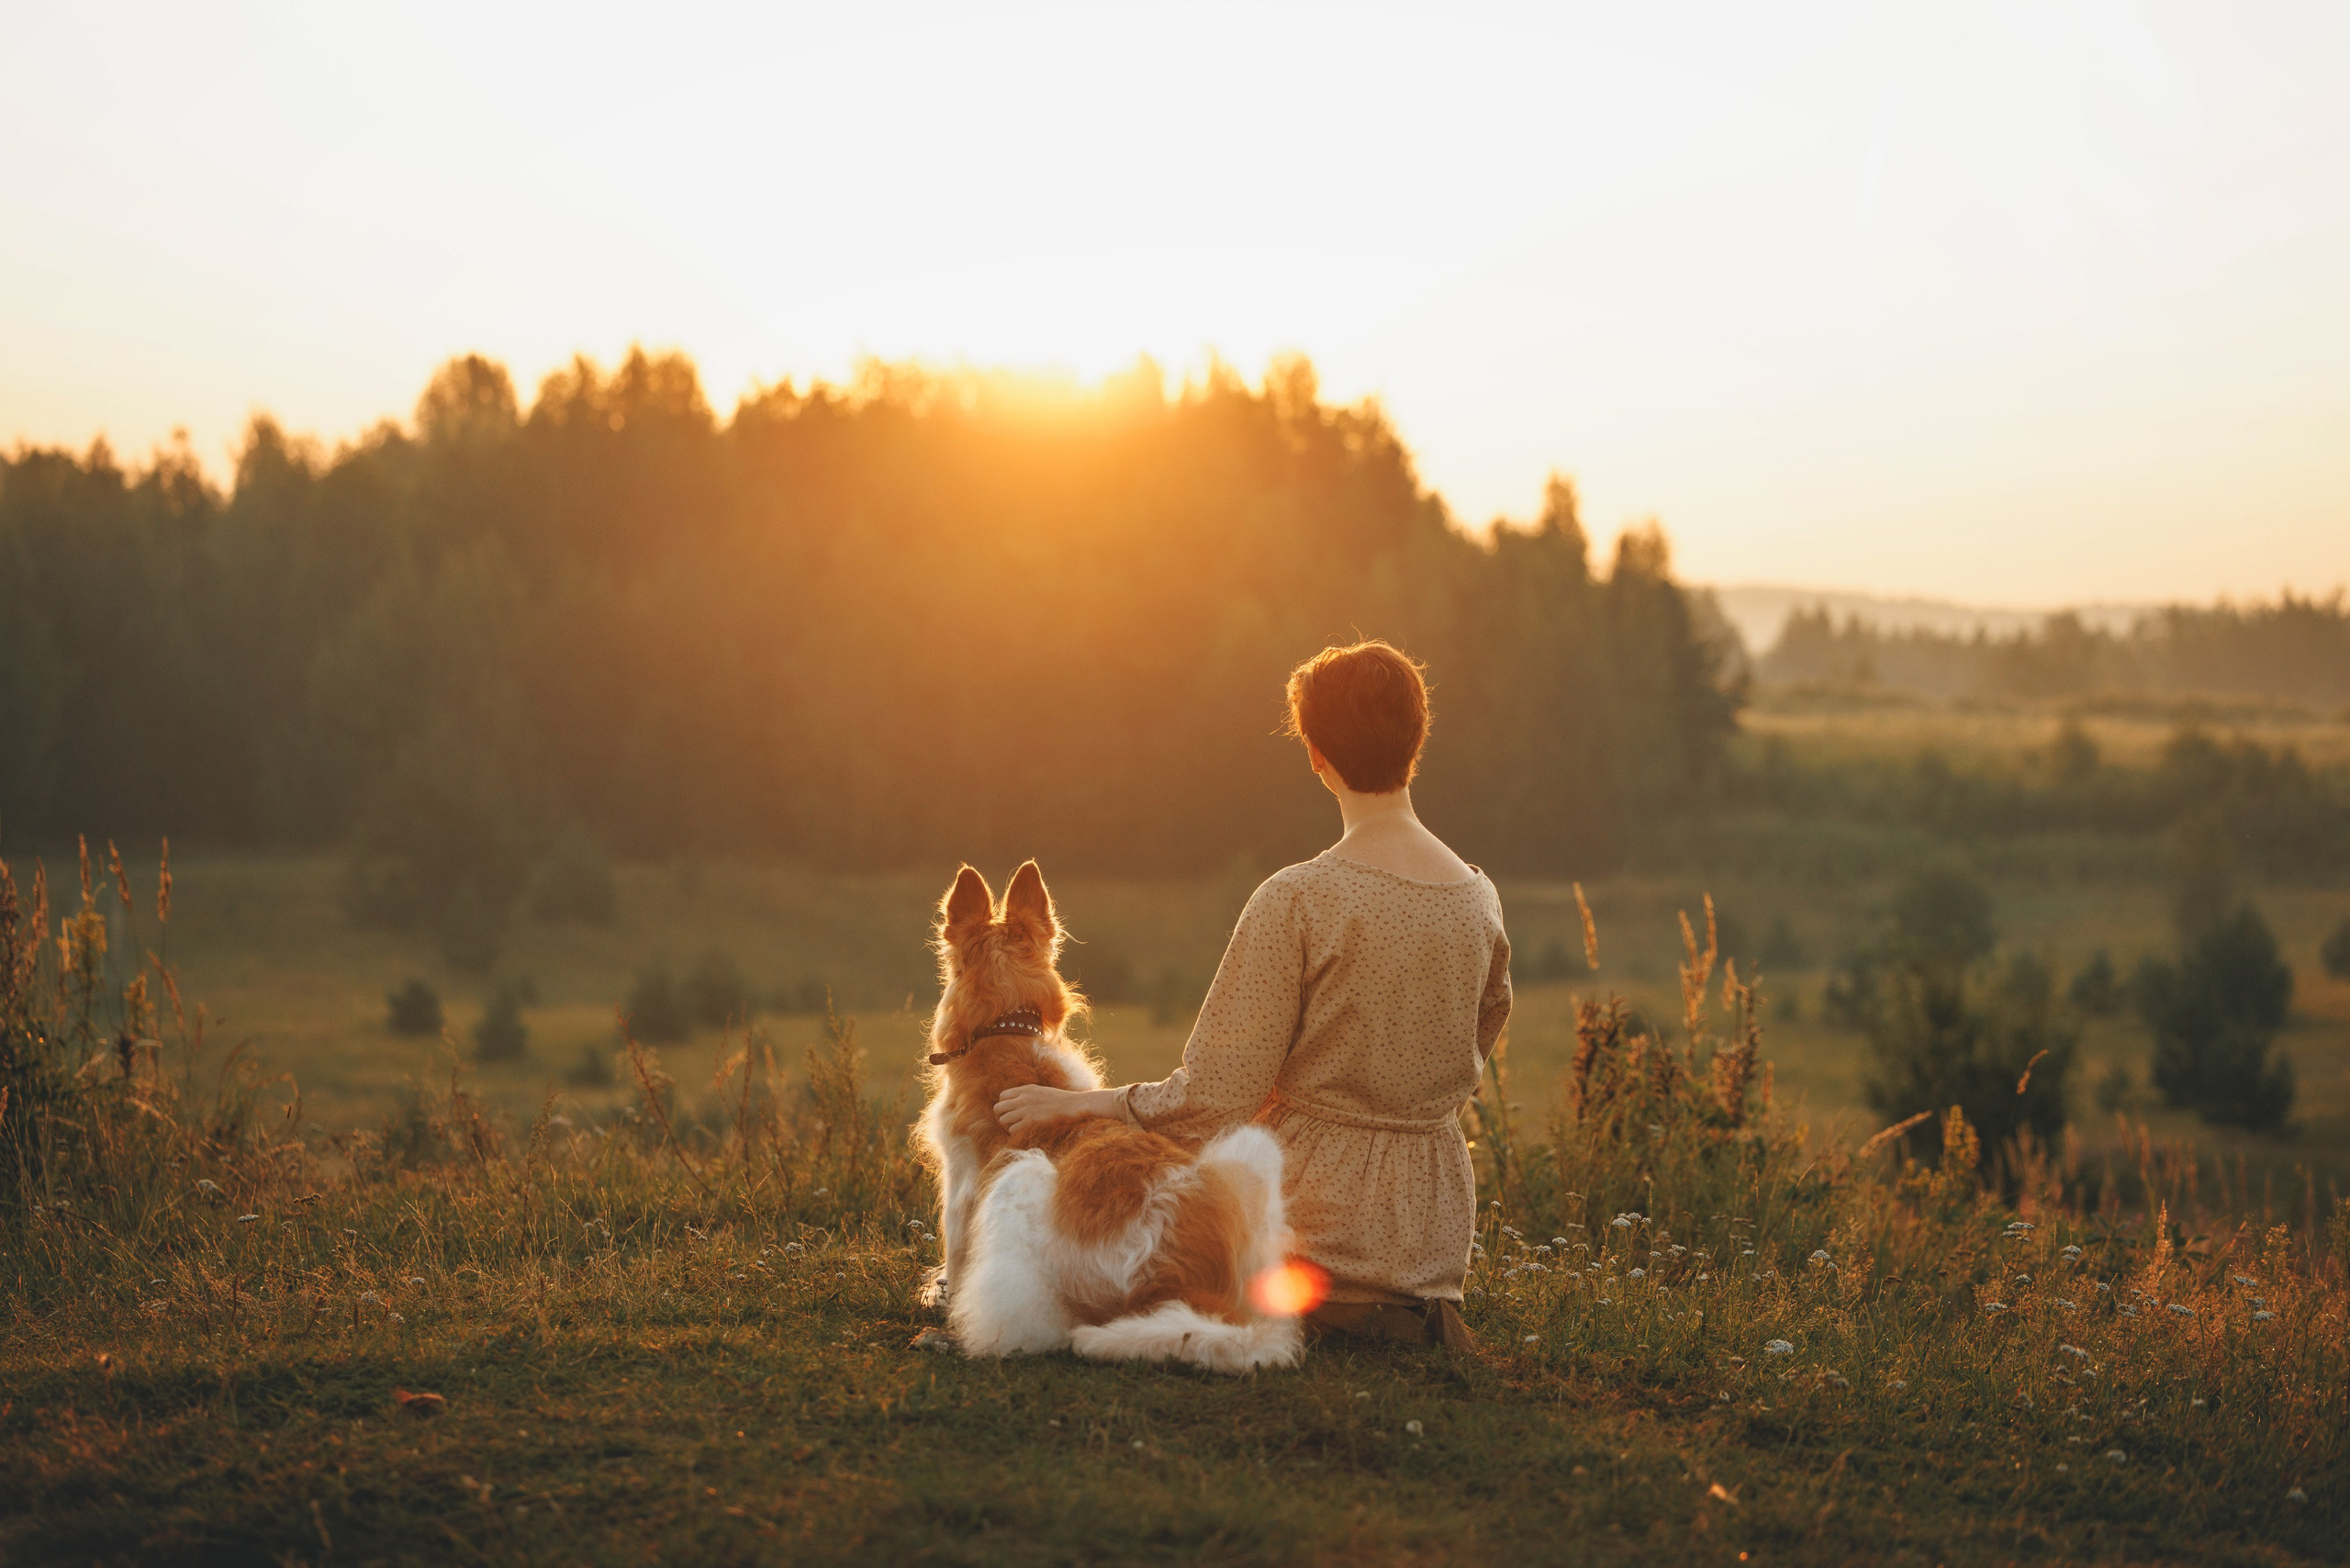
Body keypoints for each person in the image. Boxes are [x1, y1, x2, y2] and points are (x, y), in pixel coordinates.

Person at [994, 640, 1511, 1348]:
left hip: (1302, 1242)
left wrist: (1087, 1102)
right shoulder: (1478, 899)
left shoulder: (1297, 898)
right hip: (1432, 1253)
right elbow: (1479, 1039)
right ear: (1417, 743)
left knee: (1052, 1218)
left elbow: (1214, 1097)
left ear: (1315, 754)